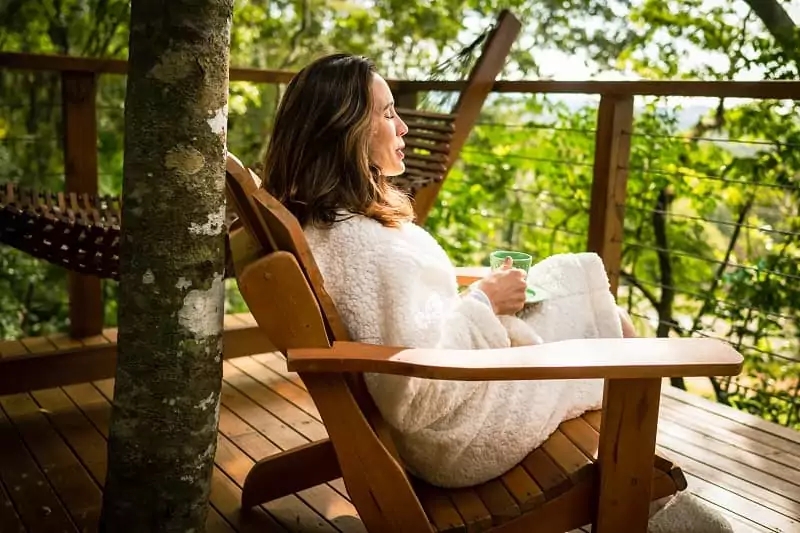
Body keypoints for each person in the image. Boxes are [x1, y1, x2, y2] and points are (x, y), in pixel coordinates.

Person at [262, 54, 732, 532]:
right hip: (461, 433)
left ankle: (634, 498)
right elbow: (417, 392)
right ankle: (632, 504)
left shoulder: (332, 225)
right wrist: (486, 302)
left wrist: (491, 298)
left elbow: (408, 334)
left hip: (460, 400)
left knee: (579, 291)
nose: (403, 126)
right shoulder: (368, 248)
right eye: (386, 114)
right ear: (345, 131)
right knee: (620, 337)